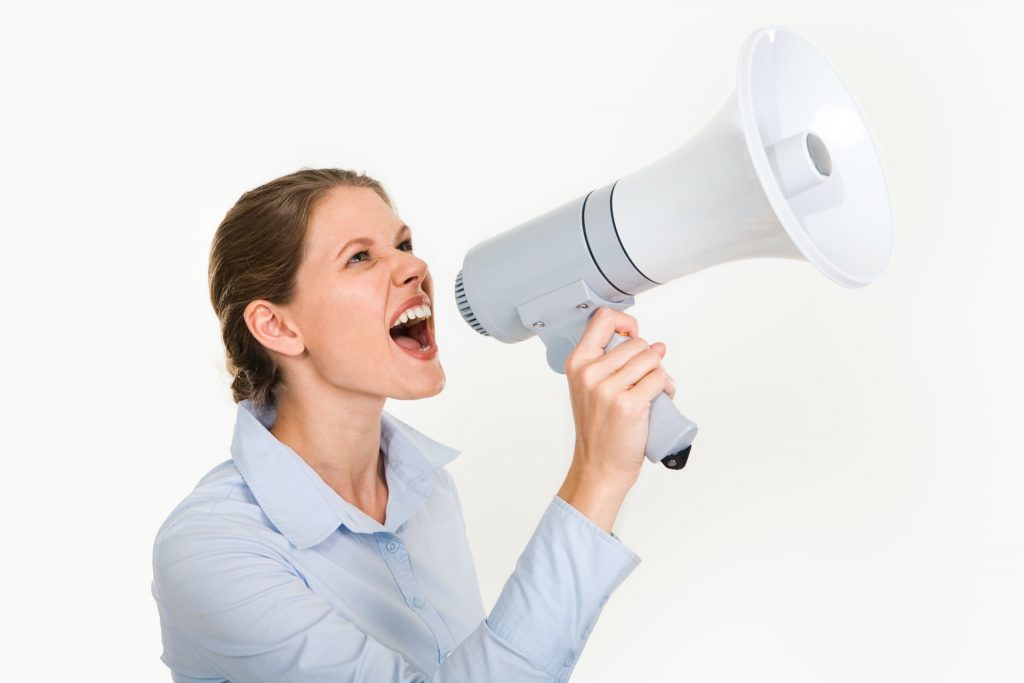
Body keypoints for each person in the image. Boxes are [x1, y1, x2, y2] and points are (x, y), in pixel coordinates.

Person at [151, 168, 677, 682]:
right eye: (360, 257)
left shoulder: (426, 489)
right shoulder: (213, 548)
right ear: (278, 326)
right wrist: (597, 476)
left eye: (403, 245)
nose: (414, 266)